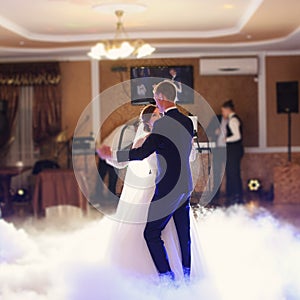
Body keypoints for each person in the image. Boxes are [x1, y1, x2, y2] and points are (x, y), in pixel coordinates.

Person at [98, 80, 198, 281]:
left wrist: (113, 154)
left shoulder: (162, 124)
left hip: (168, 187)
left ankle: (167, 278)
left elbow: (142, 153)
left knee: (151, 233)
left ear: (161, 97)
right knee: (183, 234)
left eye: (155, 97)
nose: (155, 101)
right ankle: (187, 277)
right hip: (185, 185)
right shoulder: (188, 121)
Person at [221, 100, 244, 205]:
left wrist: (226, 139)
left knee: (233, 173)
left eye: (223, 111)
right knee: (233, 172)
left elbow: (237, 136)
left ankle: (236, 196)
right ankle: (235, 195)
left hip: (234, 151)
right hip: (235, 151)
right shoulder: (233, 119)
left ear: (227, 110)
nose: (222, 113)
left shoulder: (233, 120)